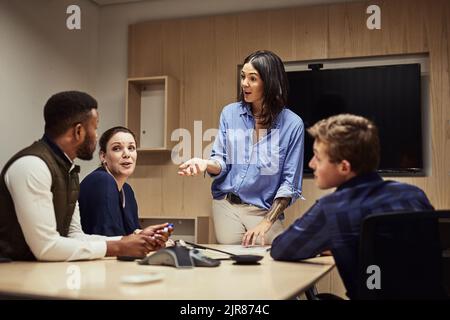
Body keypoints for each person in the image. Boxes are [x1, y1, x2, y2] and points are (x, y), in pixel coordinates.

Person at [270, 114, 434, 299]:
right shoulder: (414, 195)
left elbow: (281, 249)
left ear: (344, 167)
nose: (311, 164)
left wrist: (326, 243)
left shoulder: (332, 209)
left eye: (317, 157)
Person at [0, 91, 171, 261]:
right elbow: (46, 247)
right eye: (95, 128)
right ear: (79, 131)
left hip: (37, 273)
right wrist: (120, 246)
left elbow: (75, 236)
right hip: (11, 276)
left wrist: (135, 241)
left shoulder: (68, 170)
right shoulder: (32, 166)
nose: (96, 136)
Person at [178, 50, 305, 246]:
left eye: (252, 78)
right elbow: (222, 161)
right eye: (243, 76)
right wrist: (204, 163)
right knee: (233, 268)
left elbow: (290, 184)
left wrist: (265, 223)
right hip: (226, 205)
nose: (244, 83)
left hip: (264, 211)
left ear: (270, 82)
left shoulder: (292, 124)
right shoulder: (230, 114)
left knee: (273, 265)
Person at [79, 126, 140, 236]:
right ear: (103, 156)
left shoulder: (127, 190)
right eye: (117, 148)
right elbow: (108, 237)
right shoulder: (101, 180)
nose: (127, 154)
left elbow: (134, 233)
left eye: (131, 148)